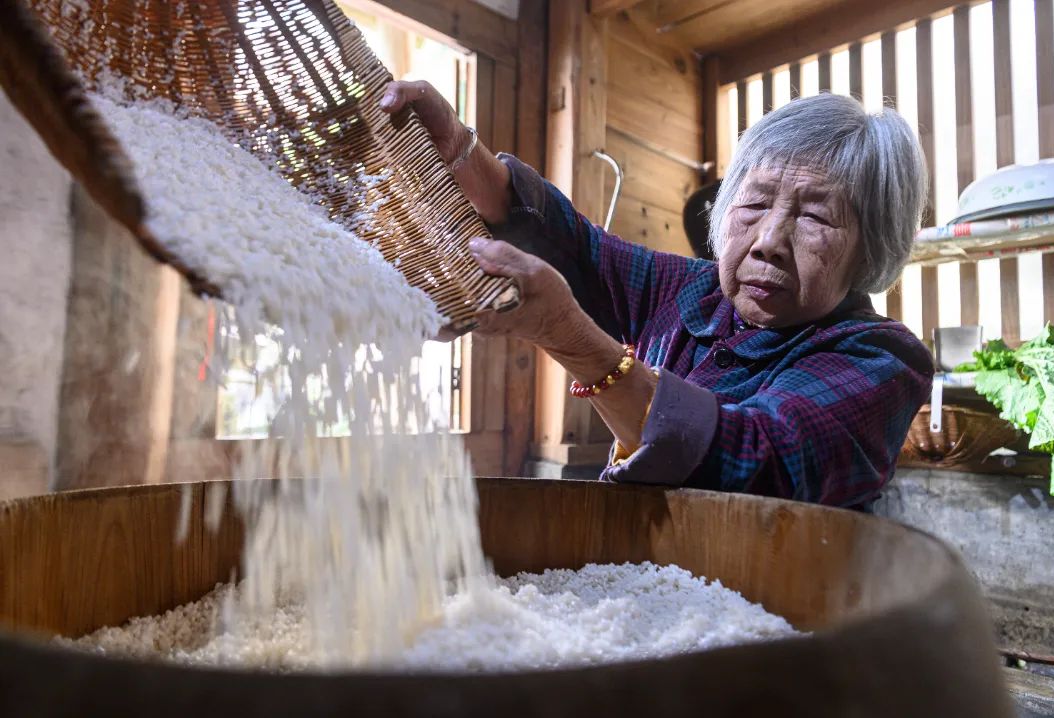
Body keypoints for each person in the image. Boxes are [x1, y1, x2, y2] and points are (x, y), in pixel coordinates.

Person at [379, 81, 934, 511]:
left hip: (773, 630)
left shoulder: (881, 357)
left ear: (871, 247)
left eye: (815, 216)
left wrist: (569, 337)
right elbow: (578, 249)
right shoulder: (693, 291)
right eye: (755, 202)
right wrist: (458, 151)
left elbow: (757, 461)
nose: (769, 242)